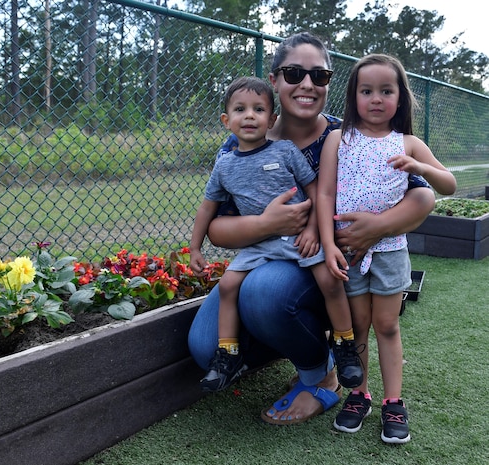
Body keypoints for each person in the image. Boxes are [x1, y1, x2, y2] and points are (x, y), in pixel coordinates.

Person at [187, 32, 436, 426]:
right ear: (274, 79)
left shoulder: (350, 136)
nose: (306, 84)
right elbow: (218, 229)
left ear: (329, 83)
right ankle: (291, 333)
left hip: (331, 265)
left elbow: (423, 198)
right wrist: (266, 223)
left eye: (318, 76)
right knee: (204, 346)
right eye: (293, 73)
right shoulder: (241, 143)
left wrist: (377, 228)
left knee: (264, 292)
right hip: (267, 253)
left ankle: (323, 375)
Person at [190, 76, 363, 393]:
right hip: (260, 246)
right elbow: (207, 209)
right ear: (226, 120)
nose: (250, 116)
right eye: (240, 109)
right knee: (228, 285)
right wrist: (194, 248)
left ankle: (344, 344)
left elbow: (315, 192)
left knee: (329, 281)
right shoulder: (224, 164)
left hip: (299, 239)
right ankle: (227, 354)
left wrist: (312, 228)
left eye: (259, 109)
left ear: (272, 120)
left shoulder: (285, 151)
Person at [317, 53, 456, 443]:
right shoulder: (338, 138)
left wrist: (422, 168)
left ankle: (394, 401)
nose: (376, 98)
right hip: (348, 251)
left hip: (392, 249)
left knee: (388, 325)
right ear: (353, 96)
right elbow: (326, 192)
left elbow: (448, 185)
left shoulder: (409, 143)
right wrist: (328, 244)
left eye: (386, 90)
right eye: (367, 91)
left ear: (400, 97)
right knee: (358, 325)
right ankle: (359, 395)